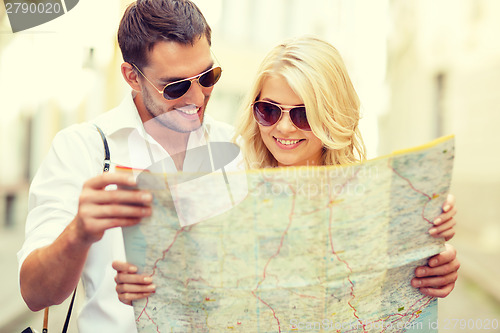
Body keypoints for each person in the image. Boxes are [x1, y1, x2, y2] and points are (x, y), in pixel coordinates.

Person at [113, 36, 459, 306]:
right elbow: (183, 280)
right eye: (268, 110)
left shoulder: (378, 199)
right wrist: (145, 286)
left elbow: (403, 287)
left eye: (302, 114)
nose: (284, 128)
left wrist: (434, 263)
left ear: (331, 115)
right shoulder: (224, 189)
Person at [17, 0, 237, 332]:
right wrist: (78, 233)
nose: (197, 98)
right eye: (176, 86)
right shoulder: (82, 149)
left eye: (208, 76)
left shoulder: (234, 146)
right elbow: (34, 294)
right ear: (132, 76)